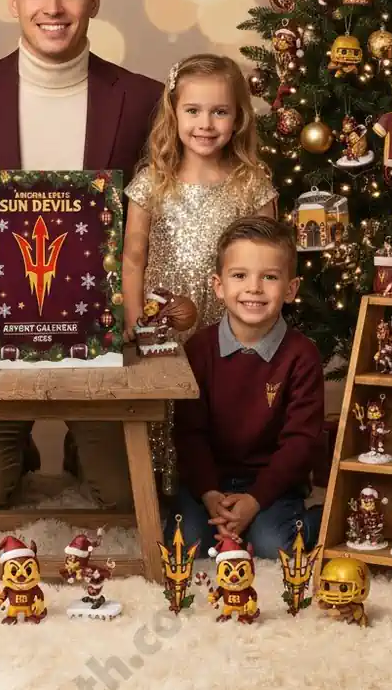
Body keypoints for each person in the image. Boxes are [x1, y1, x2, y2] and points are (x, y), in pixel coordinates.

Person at [0, 0, 162, 512]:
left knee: (122, 498)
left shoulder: (142, 98)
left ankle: (85, 442)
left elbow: (155, 216)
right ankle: (22, 444)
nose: (52, 8)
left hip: (96, 334)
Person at [122, 54, 277, 494]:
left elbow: (269, 262)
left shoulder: (252, 183)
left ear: (238, 117)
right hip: (163, 322)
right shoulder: (152, 181)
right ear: (174, 113)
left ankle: (217, 490)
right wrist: (135, 319)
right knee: (166, 409)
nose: (205, 124)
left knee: (219, 406)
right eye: (193, 110)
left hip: (227, 322)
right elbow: (133, 257)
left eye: (219, 111)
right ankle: (163, 493)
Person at [165, 216, 324, 559]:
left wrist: (255, 500)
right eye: (240, 276)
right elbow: (189, 433)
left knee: (274, 546)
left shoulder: (302, 355)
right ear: (219, 285)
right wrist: (209, 494)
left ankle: (323, 518)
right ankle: (223, 513)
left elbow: (300, 442)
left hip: (274, 483)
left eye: (270, 277)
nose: (254, 288)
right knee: (186, 545)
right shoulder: (199, 349)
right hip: (210, 481)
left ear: (291, 289)